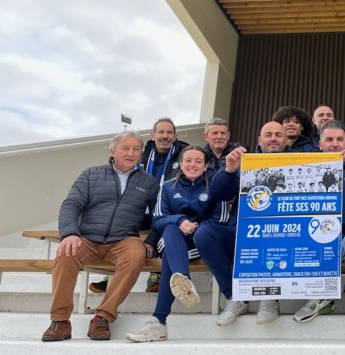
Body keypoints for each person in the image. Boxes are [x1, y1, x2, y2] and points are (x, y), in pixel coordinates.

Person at [41, 131, 160, 342]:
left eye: (136, 149)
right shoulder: (90, 175)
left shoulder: (149, 182)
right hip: (87, 238)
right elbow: (71, 205)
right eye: (126, 148)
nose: (131, 153)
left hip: (124, 239)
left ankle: (102, 318)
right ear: (113, 150)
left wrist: (150, 240)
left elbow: (159, 215)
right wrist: (69, 233)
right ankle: (60, 321)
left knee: (135, 254)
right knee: (65, 254)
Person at [126, 146, 235, 342]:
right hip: (175, 239)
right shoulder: (168, 186)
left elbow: (222, 219)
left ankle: (159, 321)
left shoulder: (215, 185)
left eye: (198, 161)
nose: (192, 165)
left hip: (203, 242)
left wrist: (196, 227)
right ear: (181, 164)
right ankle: (181, 279)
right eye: (188, 161)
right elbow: (158, 220)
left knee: (171, 254)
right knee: (169, 230)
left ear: (205, 165)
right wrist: (179, 221)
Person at [194, 121, 289, 326]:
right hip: (244, 229)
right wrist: (228, 170)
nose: (273, 138)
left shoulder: (301, 162)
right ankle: (234, 297)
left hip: (286, 232)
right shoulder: (245, 162)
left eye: (278, 135)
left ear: (285, 139)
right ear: (259, 140)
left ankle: (269, 297)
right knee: (204, 234)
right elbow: (219, 193)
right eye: (268, 134)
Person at [90, 116, 188, 295]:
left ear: (175, 137)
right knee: (120, 223)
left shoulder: (184, 154)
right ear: (153, 135)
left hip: (166, 208)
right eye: (161, 132)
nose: (165, 136)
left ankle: (156, 274)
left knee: (165, 223)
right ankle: (112, 273)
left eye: (169, 132)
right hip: (139, 206)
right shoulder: (140, 153)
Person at [293, 121, 345, 324]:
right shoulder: (307, 169)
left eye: (340, 139)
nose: (335, 144)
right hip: (316, 231)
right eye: (329, 139)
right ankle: (322, 296)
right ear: (320, 144)